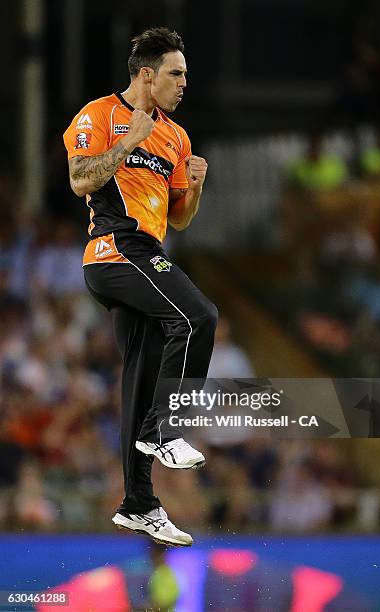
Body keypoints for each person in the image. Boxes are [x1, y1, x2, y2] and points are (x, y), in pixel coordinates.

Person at [63, 27, 218, 546]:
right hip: (115, 251)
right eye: (176, 74)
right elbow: (81, 180)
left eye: (186, 75)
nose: (183, 84)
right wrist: (128, 140)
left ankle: (138, 502)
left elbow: (180, 221)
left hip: (148, 252)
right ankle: (165, 428)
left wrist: (193, 187)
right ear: (147, 75)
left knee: (140, 377)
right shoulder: (99, 115)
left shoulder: (176, 137)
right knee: (198, 317)